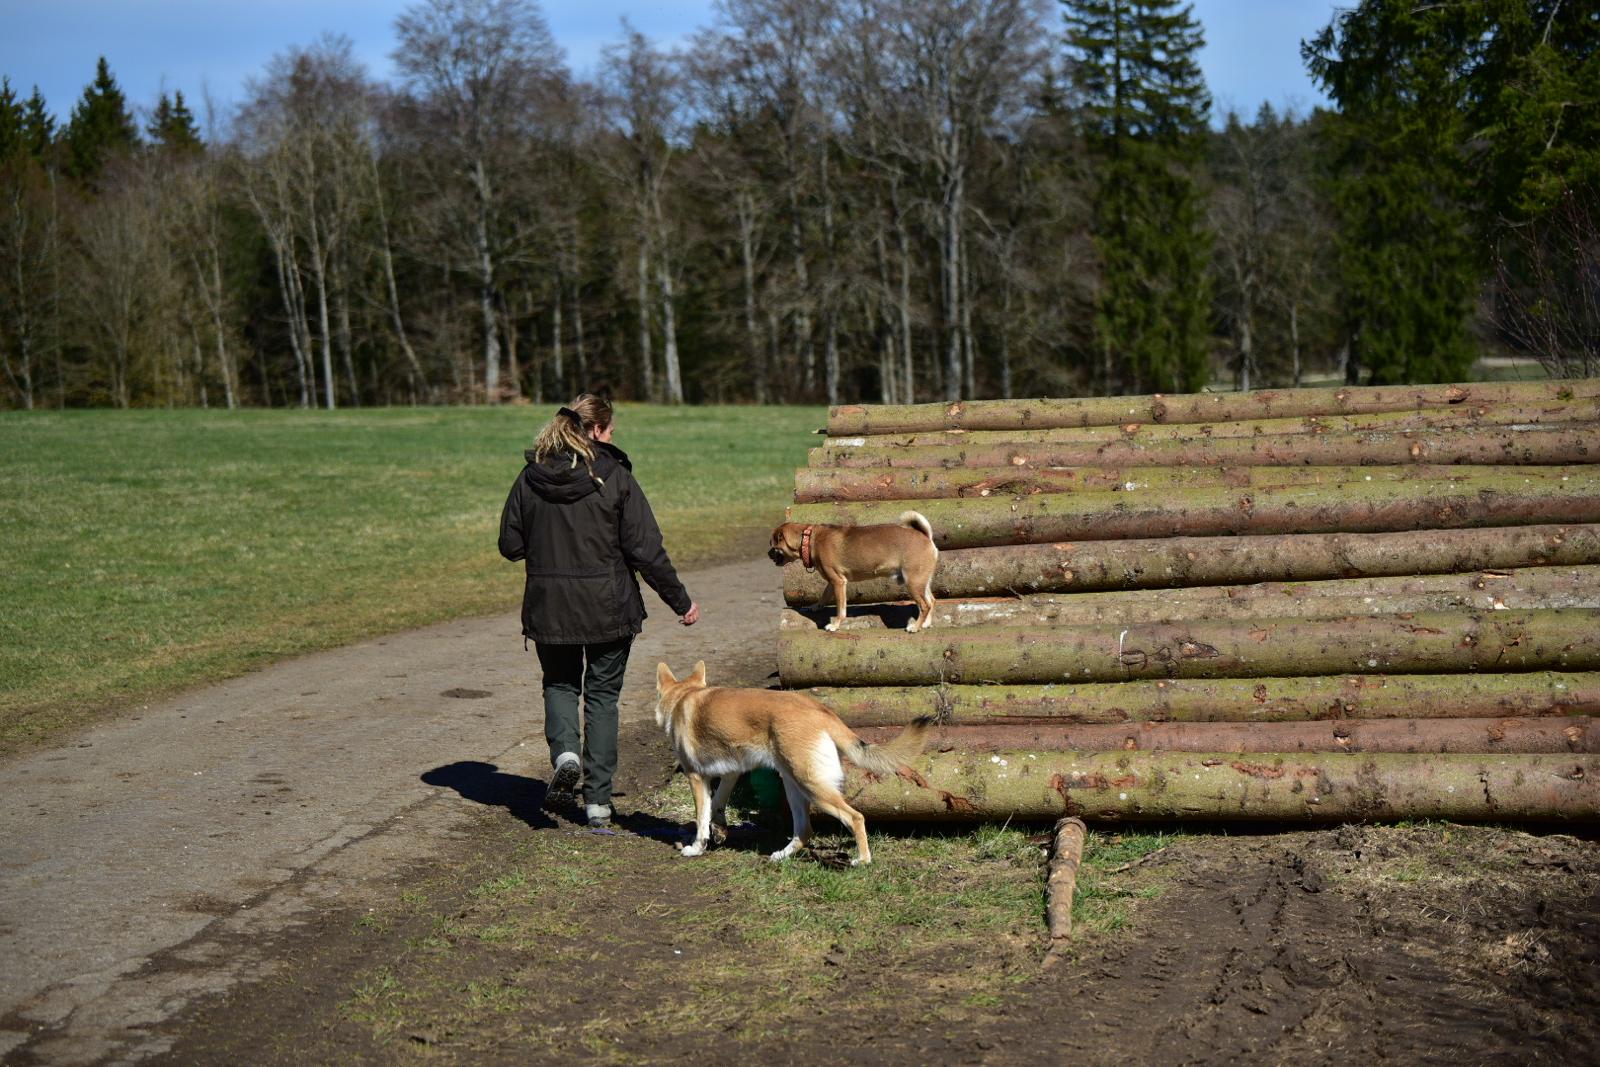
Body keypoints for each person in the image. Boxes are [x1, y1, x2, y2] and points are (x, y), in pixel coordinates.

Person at [498, 394, 699, 827]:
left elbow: (510, 546)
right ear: (594, 431)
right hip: (608, 608)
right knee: (603, 698)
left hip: (549, 608)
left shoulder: (529, 478)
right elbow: (646, 549)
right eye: (609, 431)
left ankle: (565, 754)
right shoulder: (616, 478)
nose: (611, 439)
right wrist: (681, 602)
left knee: (560, 685)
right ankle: (597, 803)